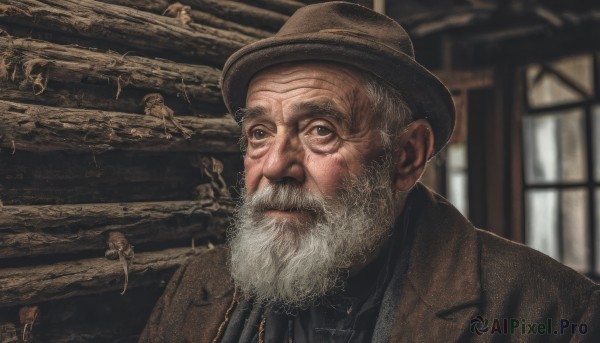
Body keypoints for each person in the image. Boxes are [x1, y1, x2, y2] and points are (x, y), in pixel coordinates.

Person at [139, 2, 599, 342]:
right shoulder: (196, 289)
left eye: (321, 129)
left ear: (407, 156)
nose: (276, 165)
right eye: (259, 133)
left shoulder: (550, 312)